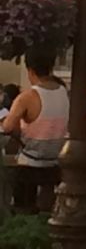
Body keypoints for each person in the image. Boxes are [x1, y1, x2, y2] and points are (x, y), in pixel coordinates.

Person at [1, 48, 69, 212]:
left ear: (30, 70)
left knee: (8, 175)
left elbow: (7, 127)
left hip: (31, 161)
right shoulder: (63, 92)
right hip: (55, 160)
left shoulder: (27, 97)